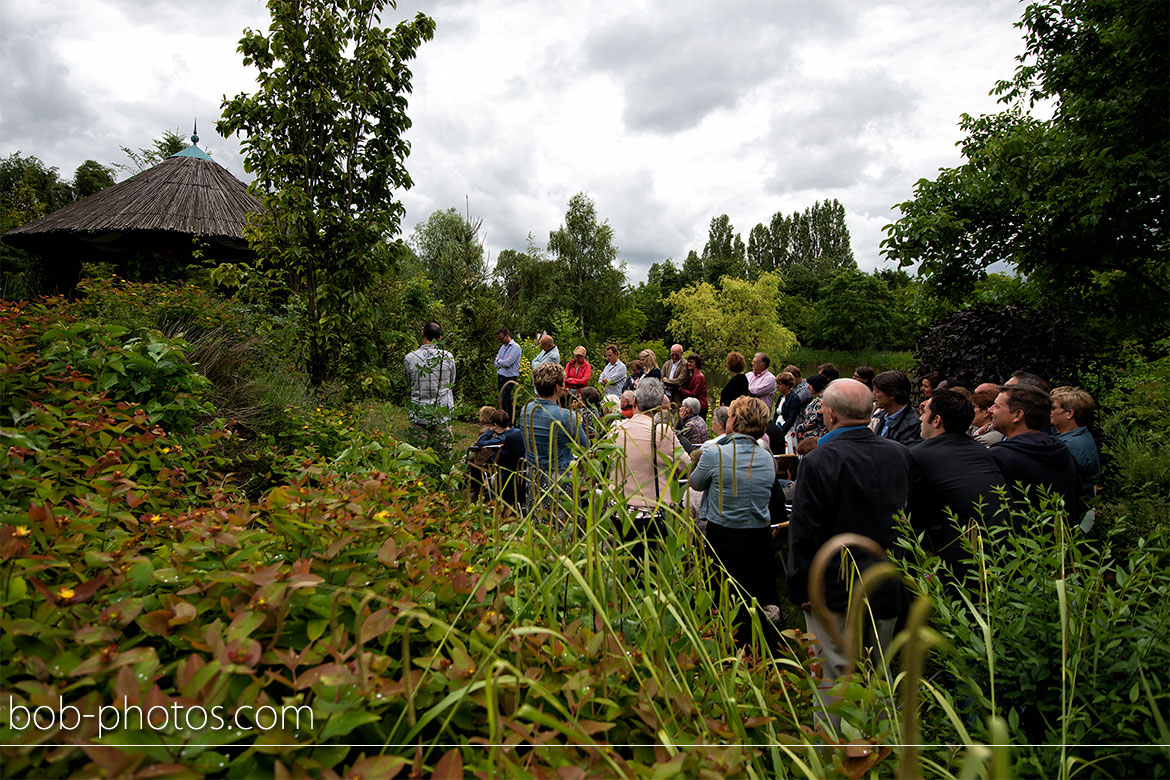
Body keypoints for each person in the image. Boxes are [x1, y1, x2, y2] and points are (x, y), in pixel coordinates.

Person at [788, 379, 911, 683]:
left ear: (829, 414)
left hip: (835, 587)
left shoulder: (819, 460)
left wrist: (801, 586)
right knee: (878, 675)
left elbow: (805, 530)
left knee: (833, 676)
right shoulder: (899, 453)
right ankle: (878, 730)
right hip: (885, 580)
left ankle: (835, 732)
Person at [690, 396, 781, 645]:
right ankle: (758, 646)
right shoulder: (766, 456)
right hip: (760, 536)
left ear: (734, 420)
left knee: (724, 594)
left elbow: (696, 482)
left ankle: (727, 646)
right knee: (754, 592)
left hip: (725, 534)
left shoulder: (714, 452)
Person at [909, 390, 1007, 573]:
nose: (921, 418)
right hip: (1004, 546)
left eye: (925, 413)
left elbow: (912, 512)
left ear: (937, 420)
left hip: (963, 554)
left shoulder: (919, 455)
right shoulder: (980, 450)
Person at [988, 384, 1080, 518]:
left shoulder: (1000, 458)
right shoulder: (1062, 450)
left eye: (996, 406)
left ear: (1018, 415)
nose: (990, 410)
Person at [520, 362, 589, 513]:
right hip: (560, 480)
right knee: (562, 525)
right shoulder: (566, 416)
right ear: (557, 387)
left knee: (538, 521)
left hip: (534, 476)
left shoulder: (525, 410)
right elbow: (586, 448)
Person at [403, 320, 456, 452]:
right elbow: (451, 382)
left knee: (417, 455)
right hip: (442, 413)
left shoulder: (409, 358)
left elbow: (409, 382)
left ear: (422, 333)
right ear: (440, 338)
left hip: (419, 412)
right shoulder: (448, 357)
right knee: (443, 456)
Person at [1050, 386, 1101, 500]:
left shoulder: (1071, 446)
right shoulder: (1076, 435)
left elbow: (1059, 483)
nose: (1050, 412)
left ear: (1069, 414)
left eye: (1053, 408)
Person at [871, 370, 922, 447]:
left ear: (892, 394)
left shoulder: (913, 424)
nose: (873, 394)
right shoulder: (882, 417)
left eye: (877, 391)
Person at [793, 373, 830, 443]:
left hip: (816, 436)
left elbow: (813, 420)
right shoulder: (818, 399)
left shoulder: (821, 402)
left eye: (810, 385)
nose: (808, 387)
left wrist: (800, 428)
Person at [494, 327, 522, 414]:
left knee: (504, 399)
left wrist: (500, 361)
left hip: (509, 376)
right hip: (501, 376)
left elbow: (508, 363)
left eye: (501, 338)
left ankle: (505, 422)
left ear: (507, 335)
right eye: (499, 339)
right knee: (504, 400)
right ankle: (509, 421)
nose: (500, 341)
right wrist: (501, 361)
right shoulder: (502, 347)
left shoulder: (515, 348)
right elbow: (495, 362)